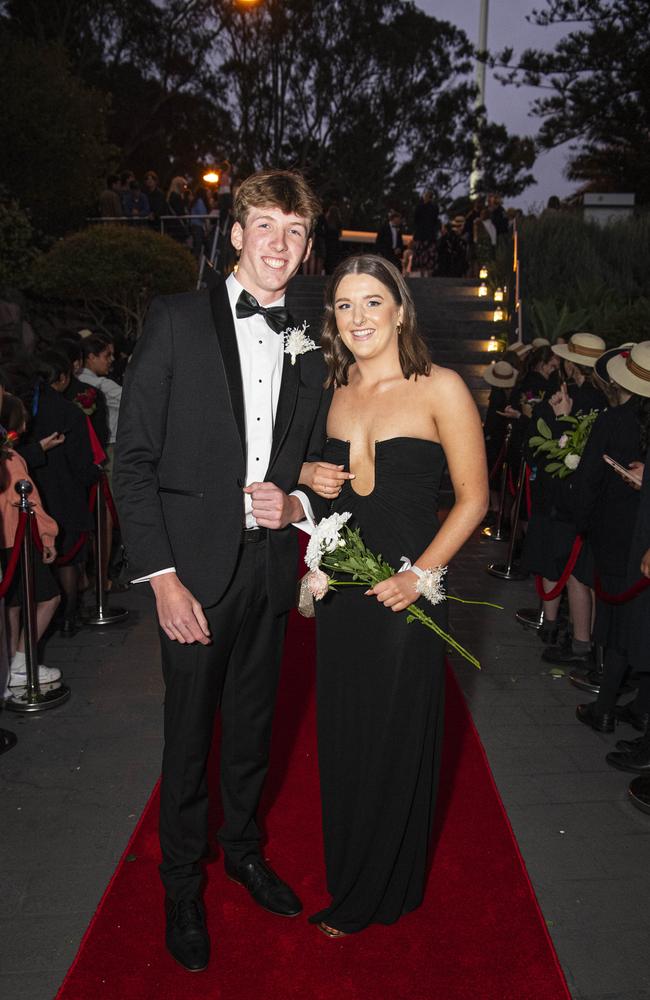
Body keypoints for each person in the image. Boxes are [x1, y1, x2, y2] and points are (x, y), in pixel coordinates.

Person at [113, 169, 330, 972]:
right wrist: (162, 578)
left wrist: (299, 501)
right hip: (191, 578)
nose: (279, 243)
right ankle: (180, 883)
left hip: (269, 573)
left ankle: (241, 851)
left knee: (250, 734)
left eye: (295, 232)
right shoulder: (173, 321)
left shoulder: (312, 345)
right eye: (265, 225)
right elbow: (131, 461)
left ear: (307, 250)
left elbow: (323, 462)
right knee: (186, 739)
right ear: (234, 234)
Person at [300, 254, 488, 936]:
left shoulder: (441, 387)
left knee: (395, 734)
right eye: (345, 306)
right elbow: (298, 467)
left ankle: (382, 887)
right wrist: (308, 471)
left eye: (372, 303)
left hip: (410, 590)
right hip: (342, 591)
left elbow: (473, 500)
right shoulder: (331, 388)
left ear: (400, 310)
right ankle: (355, 872)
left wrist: (421, 576)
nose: (358, 319)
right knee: (347, 733)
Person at [0, 394, 62, 691]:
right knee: (49, 598)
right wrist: (48, 535)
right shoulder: (11, 460)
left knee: (12, 605)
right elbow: (29, 501)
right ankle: (22, 661)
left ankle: (12, 664)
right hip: (18, 541)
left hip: (4, 543)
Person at [410, 190, 438, 276]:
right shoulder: (433, 207)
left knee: (424, 256)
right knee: (425, 256)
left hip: (424, 236)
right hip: (426, 235)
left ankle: (424, 273)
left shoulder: (421, 207)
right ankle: (424, 273)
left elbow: (416, 220)